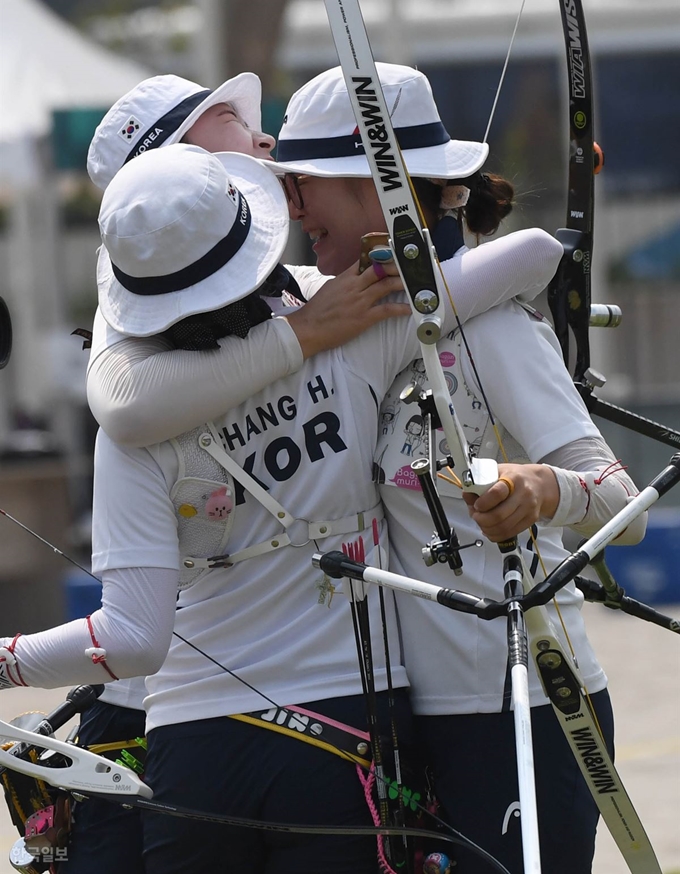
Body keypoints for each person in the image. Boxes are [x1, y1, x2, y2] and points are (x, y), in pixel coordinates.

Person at [83, 61, 643, 872]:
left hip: (511, 699)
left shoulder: (490, 328)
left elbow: (625, 503)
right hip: (395, 719)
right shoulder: (319, 307)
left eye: (304, 183)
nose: (291, 207)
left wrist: (541, 488)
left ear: (375, 188)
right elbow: (130, 393)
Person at [0, 141, 494, 873]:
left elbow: (132, 642)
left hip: (196, 749)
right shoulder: (350, 331)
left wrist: (6, 663)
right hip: (345, 726)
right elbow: (526, 261)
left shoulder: (130, 429)